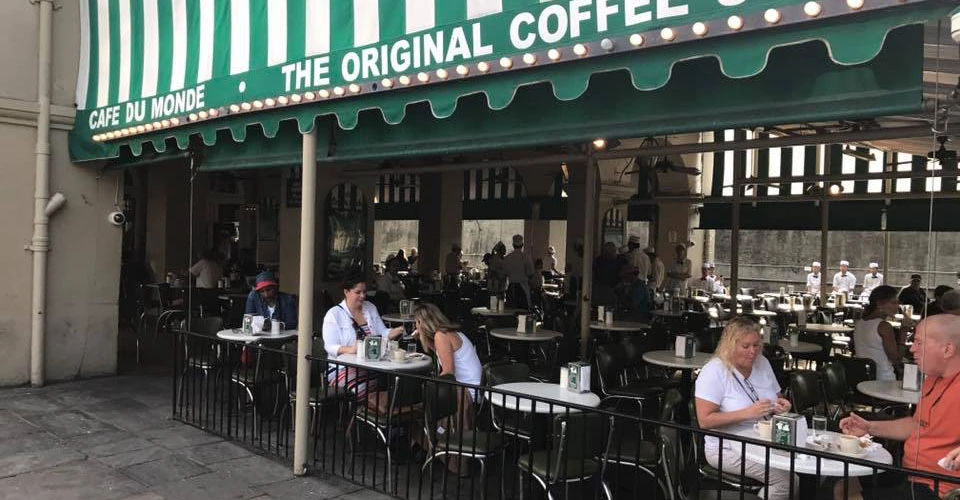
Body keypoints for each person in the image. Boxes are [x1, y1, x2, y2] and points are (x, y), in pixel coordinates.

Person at [838, 314, 960, 500]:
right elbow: (916, 425)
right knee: (845, 483)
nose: (912, 349)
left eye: (919, 343)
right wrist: (869, 427)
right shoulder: (933, 378)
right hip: (912, 474)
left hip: (941, 487)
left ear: (947, 349)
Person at [694, 317, 795, 500]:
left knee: (805, 467)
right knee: (786, 480)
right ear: (730, 345)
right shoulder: (714, 371)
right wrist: (747, 413)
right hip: (727, 448)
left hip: (766, 441)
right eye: (746, 346)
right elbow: (705, 420)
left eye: (756, 345)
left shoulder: (762, 362)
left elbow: (777, 398)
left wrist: (782, 405)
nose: (753, 352)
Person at [322, 275, 404, 397]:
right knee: (362, 389)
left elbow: (382, 332)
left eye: (364, 292)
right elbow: (330, 346)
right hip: (341, 368)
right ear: (346, 292)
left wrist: (397, 331)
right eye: (358, 292)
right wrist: (350, 349)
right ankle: (360, 413)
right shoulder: (334, 314)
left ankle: (374, 411)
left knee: (396, 383)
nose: (362, 296)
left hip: (372, 366)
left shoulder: (370, 307)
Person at [852, 286, 902, 381]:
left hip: (862, 379)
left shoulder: (859, 323)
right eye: (894, 302)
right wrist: (904, 331)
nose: (897, 306)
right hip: (884, 380)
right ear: (879, 304)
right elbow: (896, 359)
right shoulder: (884, 326)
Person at [503, 235, 535, 309]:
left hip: (511, 288)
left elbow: (504, 274)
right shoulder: (526, 257)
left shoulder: (507, 258)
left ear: (513, 245)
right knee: (523, 311)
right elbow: (530, 274)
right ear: (522, 245)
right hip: (523, 288)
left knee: (510, 311)